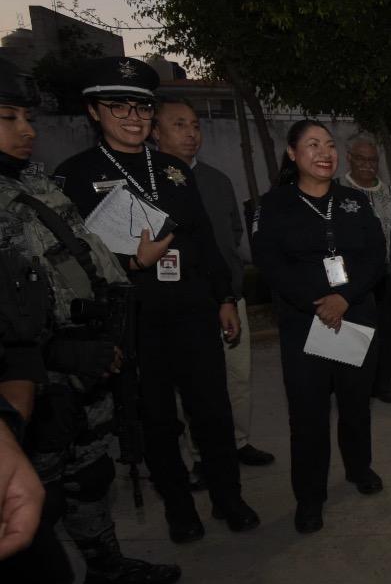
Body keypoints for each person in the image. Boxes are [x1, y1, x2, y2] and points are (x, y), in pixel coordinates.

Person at [54, 56, 259, 543]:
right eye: (118, 106)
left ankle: (229, 498)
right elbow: (70, 263)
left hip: (192, 308)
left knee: (212, 410)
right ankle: (179, 508)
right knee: (157, 420)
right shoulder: (74, 176)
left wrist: (224, 297)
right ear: (93, 111)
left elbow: (206, 237)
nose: (133, 117)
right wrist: (132, 265)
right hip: (134, 319)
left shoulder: (172, 170)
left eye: (142, 108)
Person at [1, 58, 181, 584]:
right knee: (35, 494)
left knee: (91, 472)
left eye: (26, 117)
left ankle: (105, 566)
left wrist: (113, 312)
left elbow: (85, 259)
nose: (27, 130)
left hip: (87, 360)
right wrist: (53, 353)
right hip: (31, 379)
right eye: (9, 118)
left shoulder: (34, 183)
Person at [253, 120, 387, 534]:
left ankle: (359, 468)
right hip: (305, 323)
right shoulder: (274, 205)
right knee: (308, 415)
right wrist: (319, 303)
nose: (324, 152)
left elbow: (375, 256)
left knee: (355, 403)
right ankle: (310, 498)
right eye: (312, 145)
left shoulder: (354, 201)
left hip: (353, 316)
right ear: (293, 154)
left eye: (329, 144)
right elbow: (270, 264)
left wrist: (344, 299)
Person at [152, 96, 276, 482]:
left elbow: (232, 235)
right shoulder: (148, 181)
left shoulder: (217, 181)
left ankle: (237, 442)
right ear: (155, 132)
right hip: (182, 302)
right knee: (192, 384)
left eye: (195, 125)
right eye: (179, 125)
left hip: (228, 296)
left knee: (237, 376)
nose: (191, 133)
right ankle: (201, 452)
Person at [341, 132, 391, 404]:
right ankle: (355, 387)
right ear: (349, 159)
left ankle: (382, 384)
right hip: (354, 277)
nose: (367, 164)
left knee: (388, 332)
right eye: (361, 159)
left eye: (372, 160)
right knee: (355, 331)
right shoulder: (338, 190)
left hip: (388, 275)